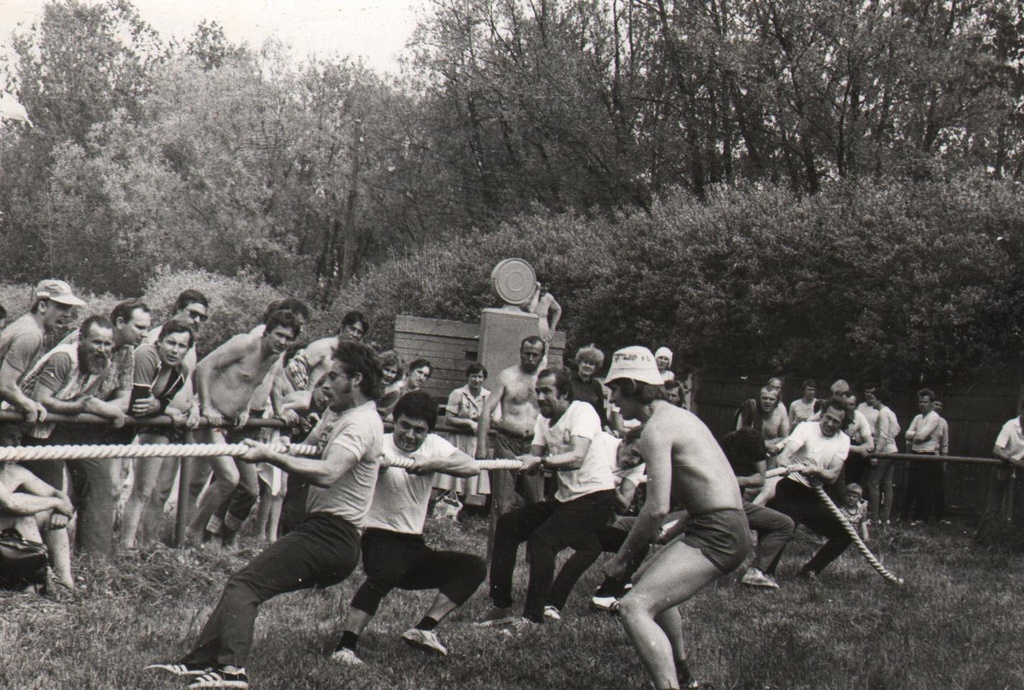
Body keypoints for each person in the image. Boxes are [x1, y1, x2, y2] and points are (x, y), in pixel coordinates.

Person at [146, 341, 384, 690]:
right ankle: (199, 663)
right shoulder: (345, 414)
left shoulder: (361, 424)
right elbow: (314, 441)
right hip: (327, 534)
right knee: (243, 583)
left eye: (334, 376)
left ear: (357, 380)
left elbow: (329, 472)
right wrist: (298, 436)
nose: (326, 383)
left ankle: (232, 672)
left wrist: (270, 457)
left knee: (245, 585)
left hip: (332, 536)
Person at [599, 347, 750, 690]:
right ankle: (684, 677)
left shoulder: (656, 431)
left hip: (719, 532)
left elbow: (656, 508)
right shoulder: (677, 417)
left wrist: (620, 559)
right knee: (646, 585)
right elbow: (709, 492)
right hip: (718, 524)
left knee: (633, 607)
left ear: (633, 387)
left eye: (615, 391)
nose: (613, 401)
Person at [332, 391, 486, 664]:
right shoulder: (379, 444)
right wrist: (374, 468)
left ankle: (423, 629)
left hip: (414, 544)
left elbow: (472, 467)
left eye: (419, 430)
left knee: (473, 566)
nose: (410, 435)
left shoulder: (434, 446)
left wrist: (434, 463)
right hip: (377, 536)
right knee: (387, 572)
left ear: (428, 431)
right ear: (395, 421)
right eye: (405, 426)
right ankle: (345, 647)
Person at [477, 368, 617, 630]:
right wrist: (518, 463)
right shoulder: (543, 420)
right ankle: (500, 605)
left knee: (544, 539)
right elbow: (533, 458)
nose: (539, 397)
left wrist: (538, 461)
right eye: (537, 391)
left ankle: (532, 617)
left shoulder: (582, 411)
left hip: (596, 498)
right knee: (508, 524)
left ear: (564, 394)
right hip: (566, 499)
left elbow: (577, 456)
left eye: (546, 392)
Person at [188, 310, 301, 546]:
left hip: (234, 423)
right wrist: (206, 406)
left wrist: (244, 407)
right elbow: (204, 366)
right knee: (227, 478)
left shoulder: (273, 356)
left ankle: (222, 537)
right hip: (213, 419)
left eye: (288, 339)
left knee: (250, 488)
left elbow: (249, 383)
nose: (283, 342)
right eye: (279, 335)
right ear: (267, 331)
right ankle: (193, 532)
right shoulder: (245, 343)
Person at [53, 299, 152, 559]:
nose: (144, 333)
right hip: (55, 425)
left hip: (89, 428)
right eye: (139, 327)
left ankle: (94, 564)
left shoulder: (127, 352)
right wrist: (95, 406)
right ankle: (38, 560)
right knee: (54, 489)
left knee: (101, 487)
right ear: (120, 322)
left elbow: (123, 401)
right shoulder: (80, 342)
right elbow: (63, 393)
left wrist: (93, 405)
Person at [137, 289, 209, 542]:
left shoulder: (189, 343)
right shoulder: (159, 338)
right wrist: (166, 409)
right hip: (157, 421)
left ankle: (151, 542)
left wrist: (195, 405)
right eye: (193, 313)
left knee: (163, 489)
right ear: (177, 309)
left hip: (179, 421)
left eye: (203, 317)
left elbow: (190, 379)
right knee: (146, 489)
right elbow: (144, 383)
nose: (198, 320)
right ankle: (140, 542)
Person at [120, 321, 196, 549]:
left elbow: (156, 404)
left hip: (156, 427)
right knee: (140, 490)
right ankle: (126, 547)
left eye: (181, 346)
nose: (175, 350)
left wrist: (163, 407)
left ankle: (147, 545)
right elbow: (140, 405)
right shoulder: (146, 354)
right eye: (171, 343)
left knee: (159, 492)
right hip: (122, 425)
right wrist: (168, 410)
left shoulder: (181, 370)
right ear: (159, 342)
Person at [766, 397, 852, 578]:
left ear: (842, 423)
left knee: (844, 535)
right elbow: (785, 454)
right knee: (785, 527)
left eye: (836, 421)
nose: (829, 423)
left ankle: (809, 571)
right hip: (791, 487)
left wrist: (815, 471)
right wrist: (784, 463)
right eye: (827, 417)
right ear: (822, 414)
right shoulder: (806, 428)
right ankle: (765, 572)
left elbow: (833, 475)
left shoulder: (843, 440)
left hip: (814, 494)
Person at [476, 336, 546, 525]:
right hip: (507, 442)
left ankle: (535, 555)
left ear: (542, 356)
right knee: (501, 505)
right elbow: (486, 410)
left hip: (534, 445)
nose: (530, 358)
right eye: (527, 354)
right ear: (520, 353)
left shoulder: (545, 380)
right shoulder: (507, 376)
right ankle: (496, 555)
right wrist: (481, 447)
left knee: (537, 504)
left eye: (535, 355)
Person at [0, 280, 85, 432]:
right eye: (61, 307)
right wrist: (29, 405)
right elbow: (5, 385)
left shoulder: (25, 326)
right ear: (42, 306)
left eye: (69, 309)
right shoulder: (31, 334)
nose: (68, 315)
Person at [720, 428, 796, 591]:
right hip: (711, 505)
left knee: (785, 524)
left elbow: (760, 478)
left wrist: (736, 480)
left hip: (737, 504)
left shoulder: (756, 447)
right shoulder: (718, 447)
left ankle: (755, 571)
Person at [0, 457, 76, 594]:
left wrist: (62, 510)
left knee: (50, 515)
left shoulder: (13, 471)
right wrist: (56, 503)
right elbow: (11, 503)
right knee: (24, 518)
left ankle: (65, 581)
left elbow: (54, 492)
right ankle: (41, 579)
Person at [436, 363, 491, 504]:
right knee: (451, 477)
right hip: (457, 439)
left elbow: (493, 418)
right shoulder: (458, 394)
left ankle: (459, 508)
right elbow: (449, 419)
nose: (477, 380)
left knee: (468, 475)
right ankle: (441, 508)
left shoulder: (488, 396)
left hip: (474, 441)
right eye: (474, 376)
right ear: (468, 377)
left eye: (480, 377)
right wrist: (468, 422)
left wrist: (484, 422)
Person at [284, 310, 369, 391]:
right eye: (352, 329)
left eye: (359, 332)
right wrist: (302, 394)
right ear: (342, 327)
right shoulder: (324, 345)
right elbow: (293, 367)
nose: (354, 334)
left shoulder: (351, 358)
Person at [902, 388, 944, 525]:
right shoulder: (917, 418)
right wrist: (917, 437)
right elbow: (908, 435)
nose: (922, 404)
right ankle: (908, 517)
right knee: (912, 486)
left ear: (931, 403)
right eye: (920, 401)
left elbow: (920, 436)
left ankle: (922, 518)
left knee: (925, 487)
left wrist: (917, 436)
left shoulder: (934, 417)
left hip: (928, 455)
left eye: (925, 402)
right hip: (916, 453)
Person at [864, 386, 900, 525]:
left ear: (879, 399)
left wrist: (876, 455)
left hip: (885, 451)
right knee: (887, 484)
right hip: (893, 451)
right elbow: (896, 429)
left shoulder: (882, 414)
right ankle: (885, 518)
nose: (870, 400)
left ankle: (874, 518)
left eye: (872, 398)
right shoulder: (890, 412)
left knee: (873, 483)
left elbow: (884, 435)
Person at [736, 386, 791, 456]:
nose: (767, 401)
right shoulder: (750, 408)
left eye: (772, 399)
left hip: (771, 452)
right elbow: (738, 436)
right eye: (764, 398)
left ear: (777, 401)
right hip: (749, 451)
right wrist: (764, 444)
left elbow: (785, 438)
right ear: (759, 399)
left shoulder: (781, 410)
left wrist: (774, 446)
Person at [570, 344, 610, 428]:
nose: (587, 366)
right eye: (585, 362)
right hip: (570, 423)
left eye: (591, 364)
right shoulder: (569, 381)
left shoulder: (596, 385)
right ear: (579, 363)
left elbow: (600, 411)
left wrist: (606, 427)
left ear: (596, 367)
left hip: (589, 425)